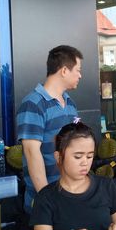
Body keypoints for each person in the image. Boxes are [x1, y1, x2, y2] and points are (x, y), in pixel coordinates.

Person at [30, 122, 116, 230]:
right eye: (78, 157)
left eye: (89, 156)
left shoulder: (106, 186)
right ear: (58, 157)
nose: (85, 163)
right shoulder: (45, 198)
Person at [17, 45, 83, 215]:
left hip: (71, 197)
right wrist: (47, 199)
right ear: (64, 71)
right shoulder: (33, 104)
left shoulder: (70, 104)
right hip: (46, 203)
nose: (80, 75)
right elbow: (32, 153)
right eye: (77, 70)